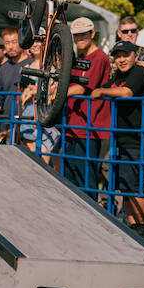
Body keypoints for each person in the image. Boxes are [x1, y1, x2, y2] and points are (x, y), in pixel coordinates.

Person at [92, 40, 144, 241]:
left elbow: (127, 92)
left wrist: (102, 92)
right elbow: (101, 87)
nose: (121, 59)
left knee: (134, 188)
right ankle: (134, 225)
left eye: (126, 55)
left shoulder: (139, 72)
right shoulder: (119, 76)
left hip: (138, 139)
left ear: (135, 56)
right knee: (125, 186)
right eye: (118, 56)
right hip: (122, 138)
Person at [62, 17, 112, 197]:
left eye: (83, 34)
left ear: (92, 34)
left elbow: (82, 88)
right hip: (73, 124)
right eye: (76, 35)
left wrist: (56, 94)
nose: (79, 38)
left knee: (86, 179)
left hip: (88, 126)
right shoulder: (79, 58)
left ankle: (91, 211)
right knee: (70, 177)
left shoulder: (99, 57)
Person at [19, 39, 60, 161]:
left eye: (39, 42)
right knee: (29, 156)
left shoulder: (53, 68)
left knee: (44, 155)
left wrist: (34, 90)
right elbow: (22, 94)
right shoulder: (26, 67)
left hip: (46, 114)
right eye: (33, 42)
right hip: (29, 114)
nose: (35, 45)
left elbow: (55, 90)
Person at [0, 27, 33, 137]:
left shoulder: (33, 65)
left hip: (28, 122)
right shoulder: (3, 69)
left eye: (14, 42)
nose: (10, 46)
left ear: (21, 42)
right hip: (7, 122)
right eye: (7, 43)